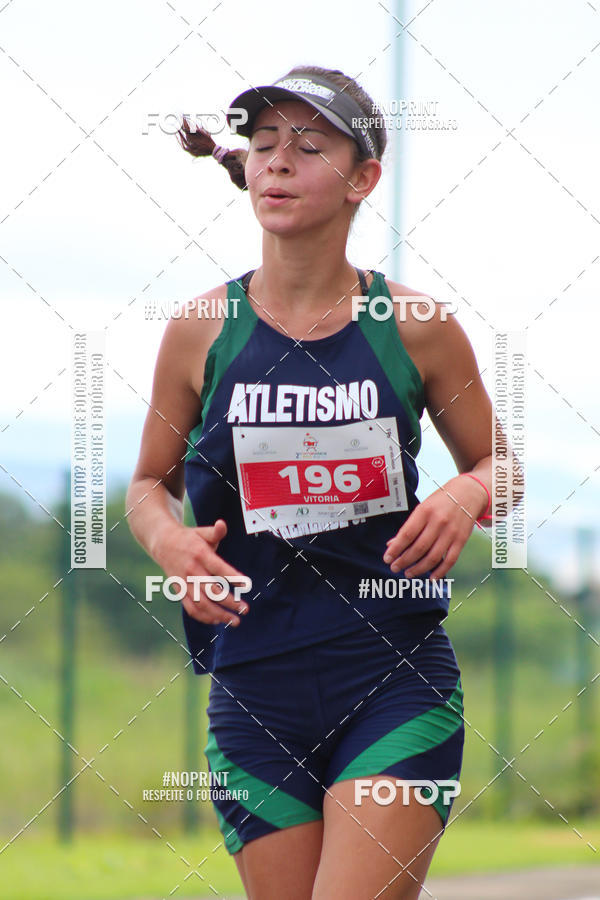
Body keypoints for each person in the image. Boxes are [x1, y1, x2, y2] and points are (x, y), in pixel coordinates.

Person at [127, 65, 499, 900]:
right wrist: (170, 542)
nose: (278, 162)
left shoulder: (416, 326)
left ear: (363, 178)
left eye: (308, 145)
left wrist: (466, 492)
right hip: (254, 691)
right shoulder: (200, 329)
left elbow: (499, 465)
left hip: (394, 679)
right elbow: (147, 485)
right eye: (263, 145)